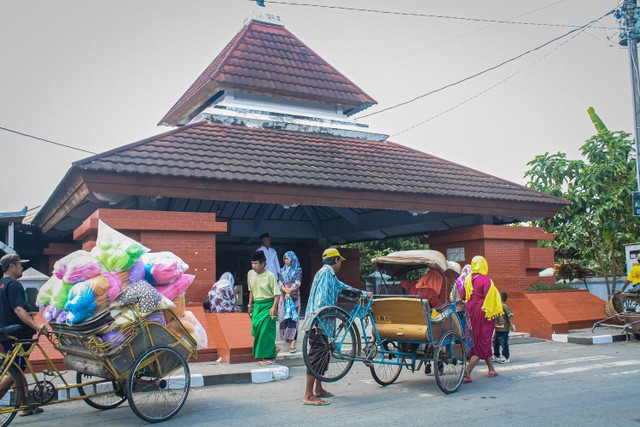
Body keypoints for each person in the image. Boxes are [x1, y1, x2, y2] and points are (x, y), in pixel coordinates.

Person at [301, 248, 373, 406]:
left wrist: (362, 293)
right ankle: (308, 395)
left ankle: (318, 389)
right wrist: (318, 323)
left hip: (323, 324)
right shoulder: (326, 274)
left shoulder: (328, 274)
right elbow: (320, 300)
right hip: (319, 323)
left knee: (323, 356)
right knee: (315, 357)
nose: (340, 264)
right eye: (339, 260)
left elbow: (342, 289)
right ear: (335, 261)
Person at [0, 254, 43, 416]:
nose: (22, 267)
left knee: (17, 370)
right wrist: (36, 326)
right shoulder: (14, 285)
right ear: (11, 266)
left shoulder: (1, 285)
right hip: (19, 335)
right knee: (14, 372)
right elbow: (18, 309)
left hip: (5, 334)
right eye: (19, 264)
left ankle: (25, 405)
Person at [462, 255, 503, 383]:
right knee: (483, 341)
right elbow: (489, 299)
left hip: (470, 311)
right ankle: (468, 371)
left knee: (480, 339)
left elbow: (464, 295)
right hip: (482, 311)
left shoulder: (468, 278)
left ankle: (491, 369)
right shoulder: (486, 280)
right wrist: (499, 316)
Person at [247, 250, 280, 365]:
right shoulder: (250, 274)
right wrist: (250, 305)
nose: (254, 266)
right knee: (256, 329)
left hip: (268, 305)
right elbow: (251, 290)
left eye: (256, 263)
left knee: (266, 331)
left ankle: (270, 357)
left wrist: (274, 308)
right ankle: (274, 347)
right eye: (252, 263)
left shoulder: (270, 276)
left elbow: (277, 294)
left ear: (263, 263)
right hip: (257, 305)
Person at [277, 251, 302, 353]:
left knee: (293, 318)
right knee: (283, 317)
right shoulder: (282, 270)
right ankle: (287, 337)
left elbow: (298, 282)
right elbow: (279, 281)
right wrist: (284, 289)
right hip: (284, 296)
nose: (286, 261)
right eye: (285, 259)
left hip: (294, 296)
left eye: (288, 258)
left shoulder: (298, 269)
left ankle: (293, 343)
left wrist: (290, 291)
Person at [493, 291, 515, 363]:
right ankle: (496, 355)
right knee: (495, 342)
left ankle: (506, 357)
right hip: (497, 328)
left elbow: (511, 314)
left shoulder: (504, 306)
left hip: (504, 329)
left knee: (503, 342)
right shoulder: (497, 306)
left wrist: (511, 325)